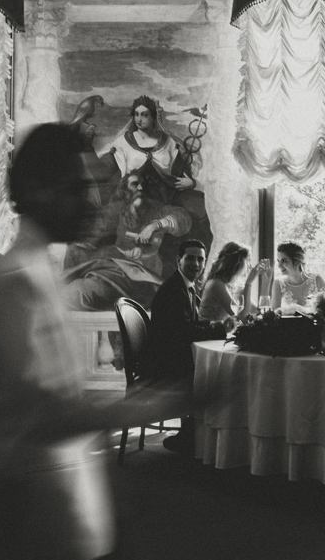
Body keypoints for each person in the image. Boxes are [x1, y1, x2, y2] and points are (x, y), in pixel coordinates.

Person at [0, 123, 175, 560]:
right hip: (43, 513)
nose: (93, 202)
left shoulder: (40, 268)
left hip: (69, 505)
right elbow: (46, 417)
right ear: (35, 190)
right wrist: (160, 403)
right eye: (77, 188)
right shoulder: (18, 281)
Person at [62, 170, 190, 310]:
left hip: (143, 274)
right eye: (135, 184)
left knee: (83, 290)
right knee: (78, 283)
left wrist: (154, 226)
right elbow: (95, 228)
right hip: (116, 268)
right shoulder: (118, 209)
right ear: (125, 189)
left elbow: (182, 218)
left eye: (142, 185)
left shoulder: (155, 208)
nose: (140, 188)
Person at [146, 239, 222, 452]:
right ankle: (194, 435)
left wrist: (214, 326)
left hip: (175, 356)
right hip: (166, 365)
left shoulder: (185, 287)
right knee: (219, 375)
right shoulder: (173, 291)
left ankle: (200, 433)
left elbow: (189, 325)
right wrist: (218, 330)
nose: (196, 264)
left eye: (200, 259)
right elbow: (184, 332)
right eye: (190, 258)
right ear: (178, 260)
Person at [197, 242, 268, 326]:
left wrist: (266, 282)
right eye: (248, 261)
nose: (250, 266)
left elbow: (257, 312)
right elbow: (241, 318)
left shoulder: (237, 284)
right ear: (237, 262)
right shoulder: (216, 284)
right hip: (210, 333)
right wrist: (249, 283)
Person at [270, 242, 325, 311]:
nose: (279, 266)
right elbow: (275, 314)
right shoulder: (278, 284)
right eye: (278, 261)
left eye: (284, 261)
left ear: (297, 262)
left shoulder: (316, 280)